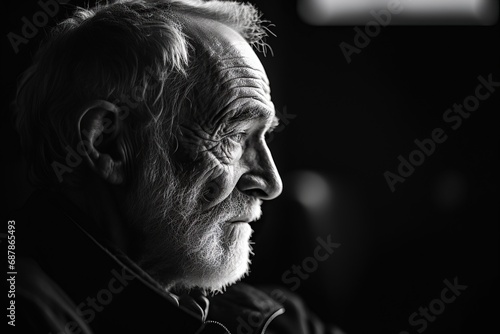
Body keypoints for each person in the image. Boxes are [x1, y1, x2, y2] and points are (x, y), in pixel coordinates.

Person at [13, 0, 343, 333]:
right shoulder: (23, 311)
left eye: (264, 137)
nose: (271, 183)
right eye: (234, 136)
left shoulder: (276, 319)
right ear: (108, 144)